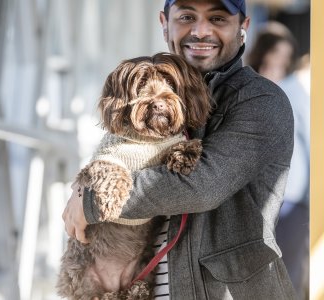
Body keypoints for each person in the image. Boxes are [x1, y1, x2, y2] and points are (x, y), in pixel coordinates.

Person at [62, 0, 298, 299]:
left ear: (243, 28)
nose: (201, 31)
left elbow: (202, 186)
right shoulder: (153, 97)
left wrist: (91, 202)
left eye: (217, 18)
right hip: (136, 285)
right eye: (187, 16)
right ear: (164, 23)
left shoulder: (260, 100)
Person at [247, 23, 310, 300]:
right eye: (275, 54)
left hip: (291, 193)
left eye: (285, 57)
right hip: (252, 192)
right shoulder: (246, 84)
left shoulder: (295, 89)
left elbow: (309, 133)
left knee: (288, 269)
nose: (280, 62)